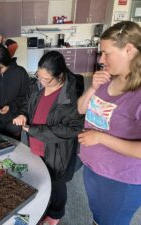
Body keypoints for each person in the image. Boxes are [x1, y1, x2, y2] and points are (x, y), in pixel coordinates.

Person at [77, 21, 141, 225]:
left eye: (106, 53)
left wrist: (100, 138)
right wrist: (92, 88)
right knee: (99, 218)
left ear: (129, 49)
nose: (101, 59)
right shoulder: (107, 78)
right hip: (94, 168)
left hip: (121, 180)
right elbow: (81, 109)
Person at [13, 51, 84, 225]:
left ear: (60, 76)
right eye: (39, 76)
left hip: (57, 151)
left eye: (47, 79)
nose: (41, 81)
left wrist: (33, 130)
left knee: (57, 184)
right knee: (41, 180)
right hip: (37, 145)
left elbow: (70, 130)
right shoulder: (38, 87)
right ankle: (45, 207)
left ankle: (55, 215)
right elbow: (28, 106)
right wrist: (23, 114)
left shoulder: (70, 96)